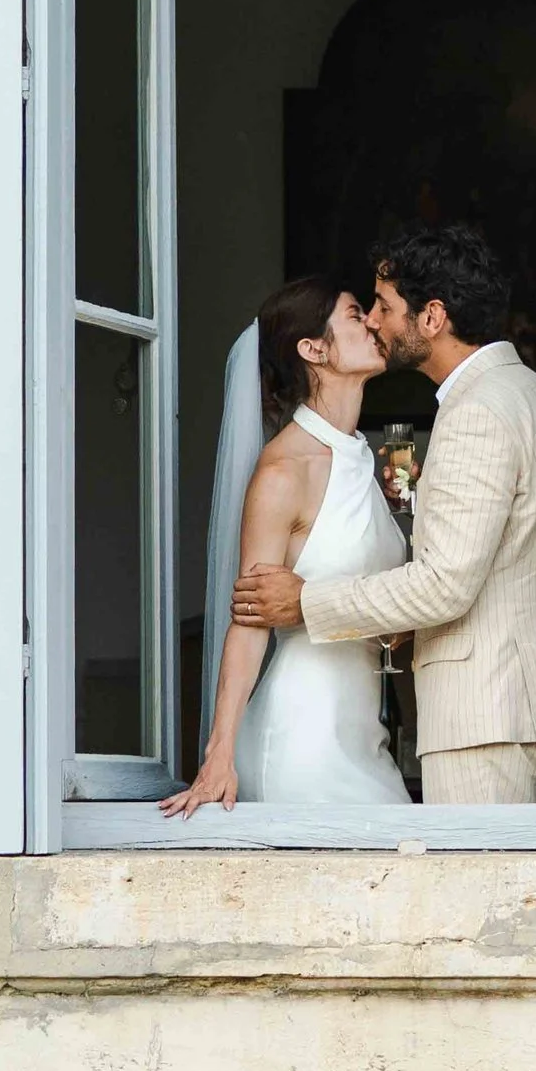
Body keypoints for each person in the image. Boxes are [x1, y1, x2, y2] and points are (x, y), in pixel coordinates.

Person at [232, 224, 536, 807]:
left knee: (473, 896)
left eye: (384, 306)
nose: (374, 320)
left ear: (431, 318)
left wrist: (304, 602)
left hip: (487, 715)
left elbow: (445, 585)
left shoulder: (476, 412)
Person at [163, 277, 411, 815]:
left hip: (364, 733)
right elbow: (250, 620)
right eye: (353, 314)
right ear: (313, 349)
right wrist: (219, 752)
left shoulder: (366, 460)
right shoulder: (283, 472)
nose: (373, 321)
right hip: (303, 737)